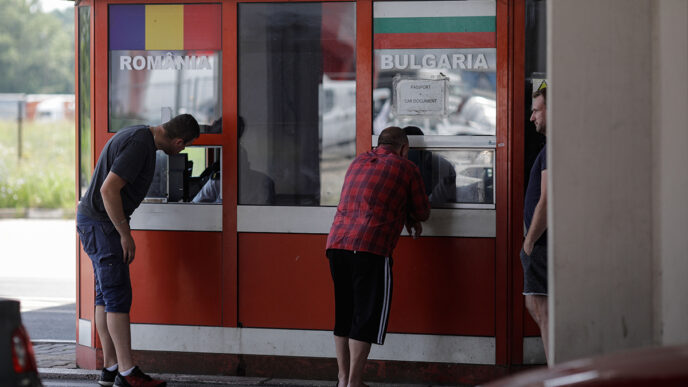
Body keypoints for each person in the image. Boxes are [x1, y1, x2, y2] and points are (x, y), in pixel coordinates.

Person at [76, 114, 200, 387]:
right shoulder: (139, 145)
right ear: (178, 141)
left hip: (94, 222)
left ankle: (110, 368)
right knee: (117, 296)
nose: (182, 151)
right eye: (185, 146)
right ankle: (127, 373)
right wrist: (125, 234)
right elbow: (109, 190)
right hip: (102, 225)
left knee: (104, 297)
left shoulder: (138, 136)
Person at [326, 126, 430, 387]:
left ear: (379, 144)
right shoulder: (407, 168)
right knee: (366, 316)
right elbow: (423, 211)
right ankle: (355, 382)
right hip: (370, 248)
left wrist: (403, 214)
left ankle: (342, 379)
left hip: (337, 244)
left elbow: (369, 198)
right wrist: (409, 215)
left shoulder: (357, 161)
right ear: (404, 148)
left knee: (345, 314)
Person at [521, 86, 549, 362]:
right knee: (537, 307)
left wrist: (529, 242)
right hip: (539, 244)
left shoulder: (554, 147)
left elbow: (548, 199)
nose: (531, 118)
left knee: (545, 313)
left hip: (541, 244)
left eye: (536, 111)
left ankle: (556, 372)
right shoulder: (550, 147)